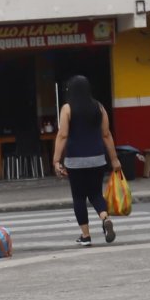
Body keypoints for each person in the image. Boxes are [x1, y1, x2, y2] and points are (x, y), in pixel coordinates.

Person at [52, 75, 122, 246]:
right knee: (96, 194)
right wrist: (114, 160)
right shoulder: (99, 107)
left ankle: (85, 236)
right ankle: (105, 218)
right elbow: (106, 134)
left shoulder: (67, 108)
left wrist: (56, 160)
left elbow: (63, 135)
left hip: (75, 160)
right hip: (97, 159)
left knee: (79, 197)